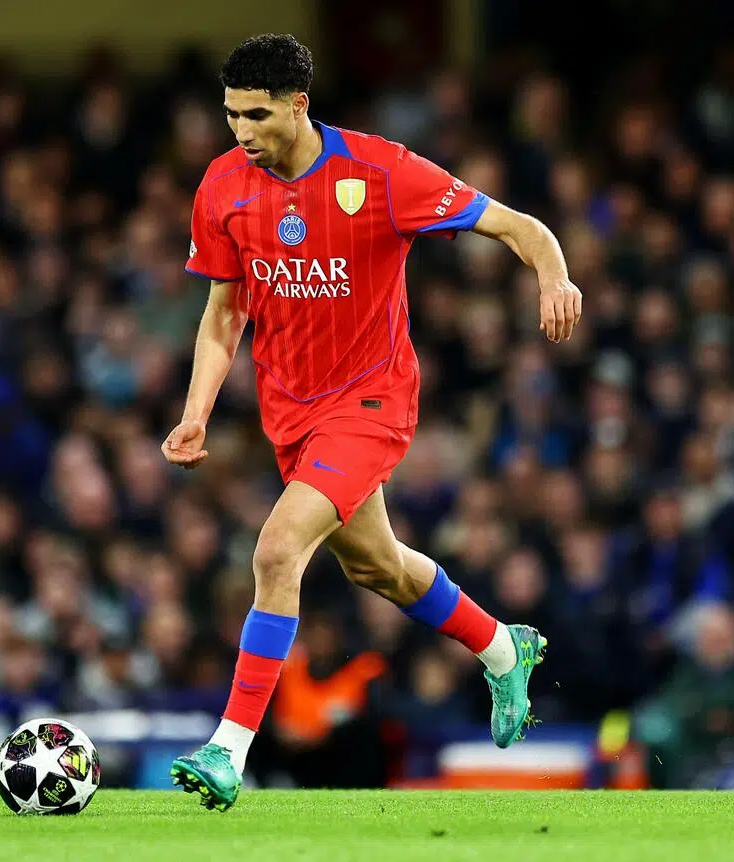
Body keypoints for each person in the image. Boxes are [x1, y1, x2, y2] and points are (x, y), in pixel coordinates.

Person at [163, 34, 582, 810]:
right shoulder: (222, 186)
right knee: (375, 567)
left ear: (298, 104)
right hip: (288, 411)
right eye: (230, 116)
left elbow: (520, 226)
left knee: (277, 549)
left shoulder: (381, 172)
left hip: (370, 403)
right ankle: (500, 647)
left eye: (256, 115)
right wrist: (195, 414)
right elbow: (224, 313)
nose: (240, 132)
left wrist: (552, 276)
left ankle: (227, 751)